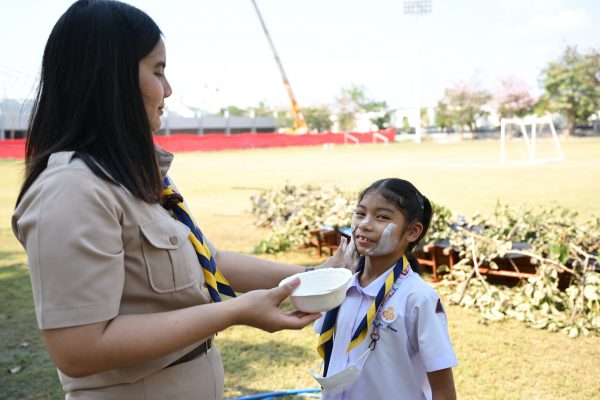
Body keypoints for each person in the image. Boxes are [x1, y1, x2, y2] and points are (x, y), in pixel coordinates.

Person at [11, 1, 343, 398]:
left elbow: (210, 261)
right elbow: (79, 349)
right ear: (112, 78)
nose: (167, 89)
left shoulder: (131, 174)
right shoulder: (72, 188)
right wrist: (234, 311)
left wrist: (311, 275)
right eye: (157, 71)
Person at [312, 178, 458, 400]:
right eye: (360, 213)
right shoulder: (340, 285)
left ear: (413, 231)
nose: (365, 224)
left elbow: (443, 390)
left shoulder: (418, 298)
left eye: (381, 217)